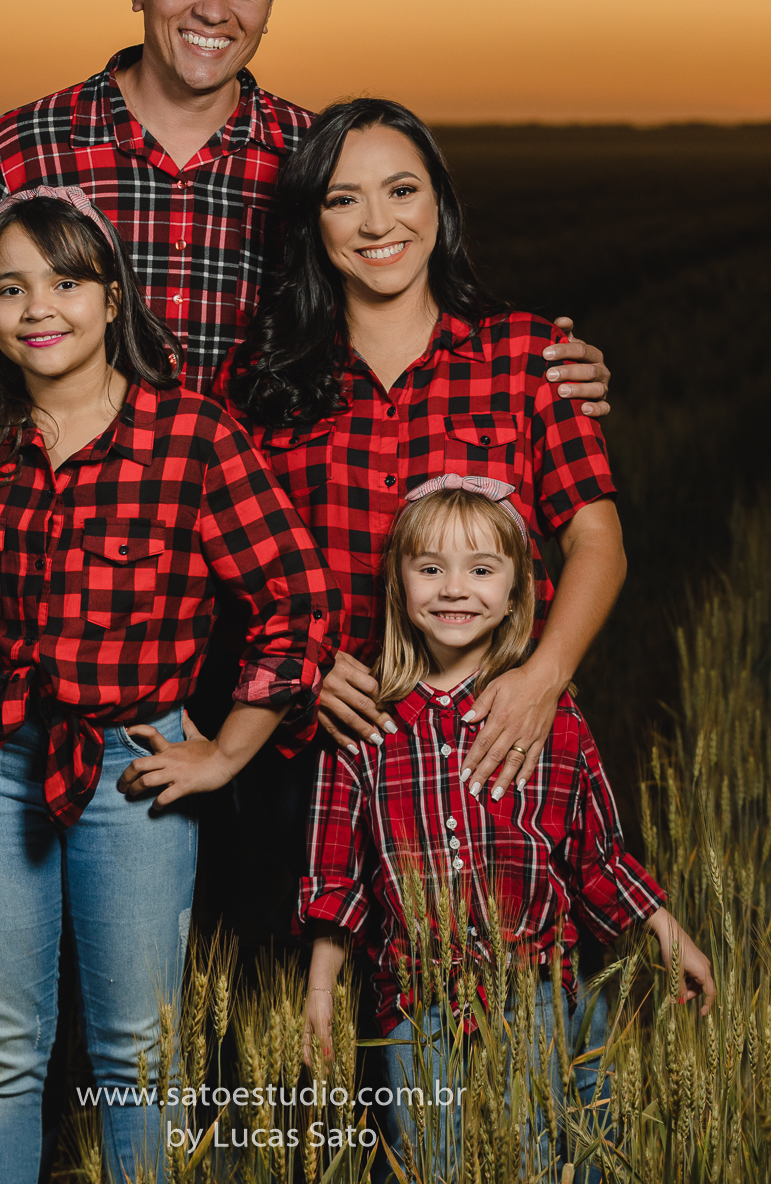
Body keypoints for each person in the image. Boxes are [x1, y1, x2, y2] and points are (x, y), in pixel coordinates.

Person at [0, 0, 610, 451]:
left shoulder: (316, 157)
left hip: (269, 551)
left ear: (270, 4)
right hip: (88, 573)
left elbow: (409, 316)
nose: (215, 10)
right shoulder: (22, 148)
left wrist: (543, 368)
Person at [0, 184, 340, 1184]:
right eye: (9, 288)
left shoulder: (192, 438)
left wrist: (229, 747)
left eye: (65, 281)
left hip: (135, 761)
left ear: (114, 298)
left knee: (138, 1059)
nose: (38, 309)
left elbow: (297, 604)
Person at [298, 479, 714, 1170]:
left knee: (531, 1158)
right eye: (429, 568)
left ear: (518, 593)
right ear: (399, 585)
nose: (454, 588)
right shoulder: (365, 727)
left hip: (535, 993)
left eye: (481, 569)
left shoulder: (551, 720)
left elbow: (598, 858)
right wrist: (319, 990)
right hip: (414, 1004)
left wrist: (671, 938)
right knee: (432, 1160)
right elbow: (338, 877)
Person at [221, 97, 620, 800]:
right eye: (344, 199)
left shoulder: (529, 355)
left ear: (440, 201)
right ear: (313, 223)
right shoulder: (258, 382)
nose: (379, 223)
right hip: (322, 749)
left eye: (402, 190)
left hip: (492, 739)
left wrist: (542, 678)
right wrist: (300, 668)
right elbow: (218, 572)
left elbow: (598, 543)